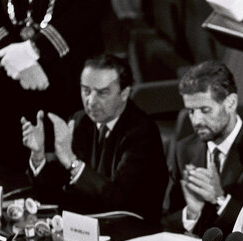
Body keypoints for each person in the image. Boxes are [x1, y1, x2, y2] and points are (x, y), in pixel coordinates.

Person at [21, 53, 167, 223]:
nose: (91, 101)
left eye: (102, 93)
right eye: (86, 91)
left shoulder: (142, 132)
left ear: (124, 93)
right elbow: (54, 194)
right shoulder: (80, 121)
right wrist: (38, 156)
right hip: (86, 228)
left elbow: (118, 200)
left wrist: (72, 162)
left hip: (131, 231)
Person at [0, 0, 103, 171]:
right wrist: (9, 52)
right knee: (12, 167)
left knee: (71, 166)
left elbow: (88, 7)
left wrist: (35, 48)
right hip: (10, 65)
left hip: (68, 60)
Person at [161, 60, 243, 236]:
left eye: (205, 110)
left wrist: (219, 199)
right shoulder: (184, 149)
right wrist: (191, 213)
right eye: (191, 111)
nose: (196, 120)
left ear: (230, 103)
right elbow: (167, 220)